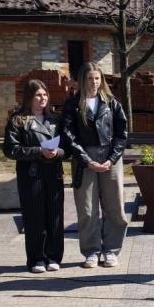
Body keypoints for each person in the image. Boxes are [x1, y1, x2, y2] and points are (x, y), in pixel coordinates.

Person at [61, 62, 128, 268]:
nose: (94, 82)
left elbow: (122, 133)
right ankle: (91, 251)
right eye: (89, 78)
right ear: (82, 80)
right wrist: (86, 160)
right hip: (84, 159)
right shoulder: (72, 104)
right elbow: (69, 135)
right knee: (87, 209)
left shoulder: (111, 103)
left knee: (115, 207)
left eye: (97, 78)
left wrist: (112, 158)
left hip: (110, 157)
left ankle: (111, 250)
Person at [4, 79, 66, 273]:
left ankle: (54, 256)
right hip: (31, 173)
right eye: (38, 95)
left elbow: (68, 147)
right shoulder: (18, 119)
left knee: (55, 216)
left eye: (45, 94)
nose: (43, 98)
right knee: (34, 217)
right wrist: (38, 151)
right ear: (29, 97)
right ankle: (36, 258)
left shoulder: (55, 119)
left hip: (54, 172)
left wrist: (58, 153)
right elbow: (10, 149)